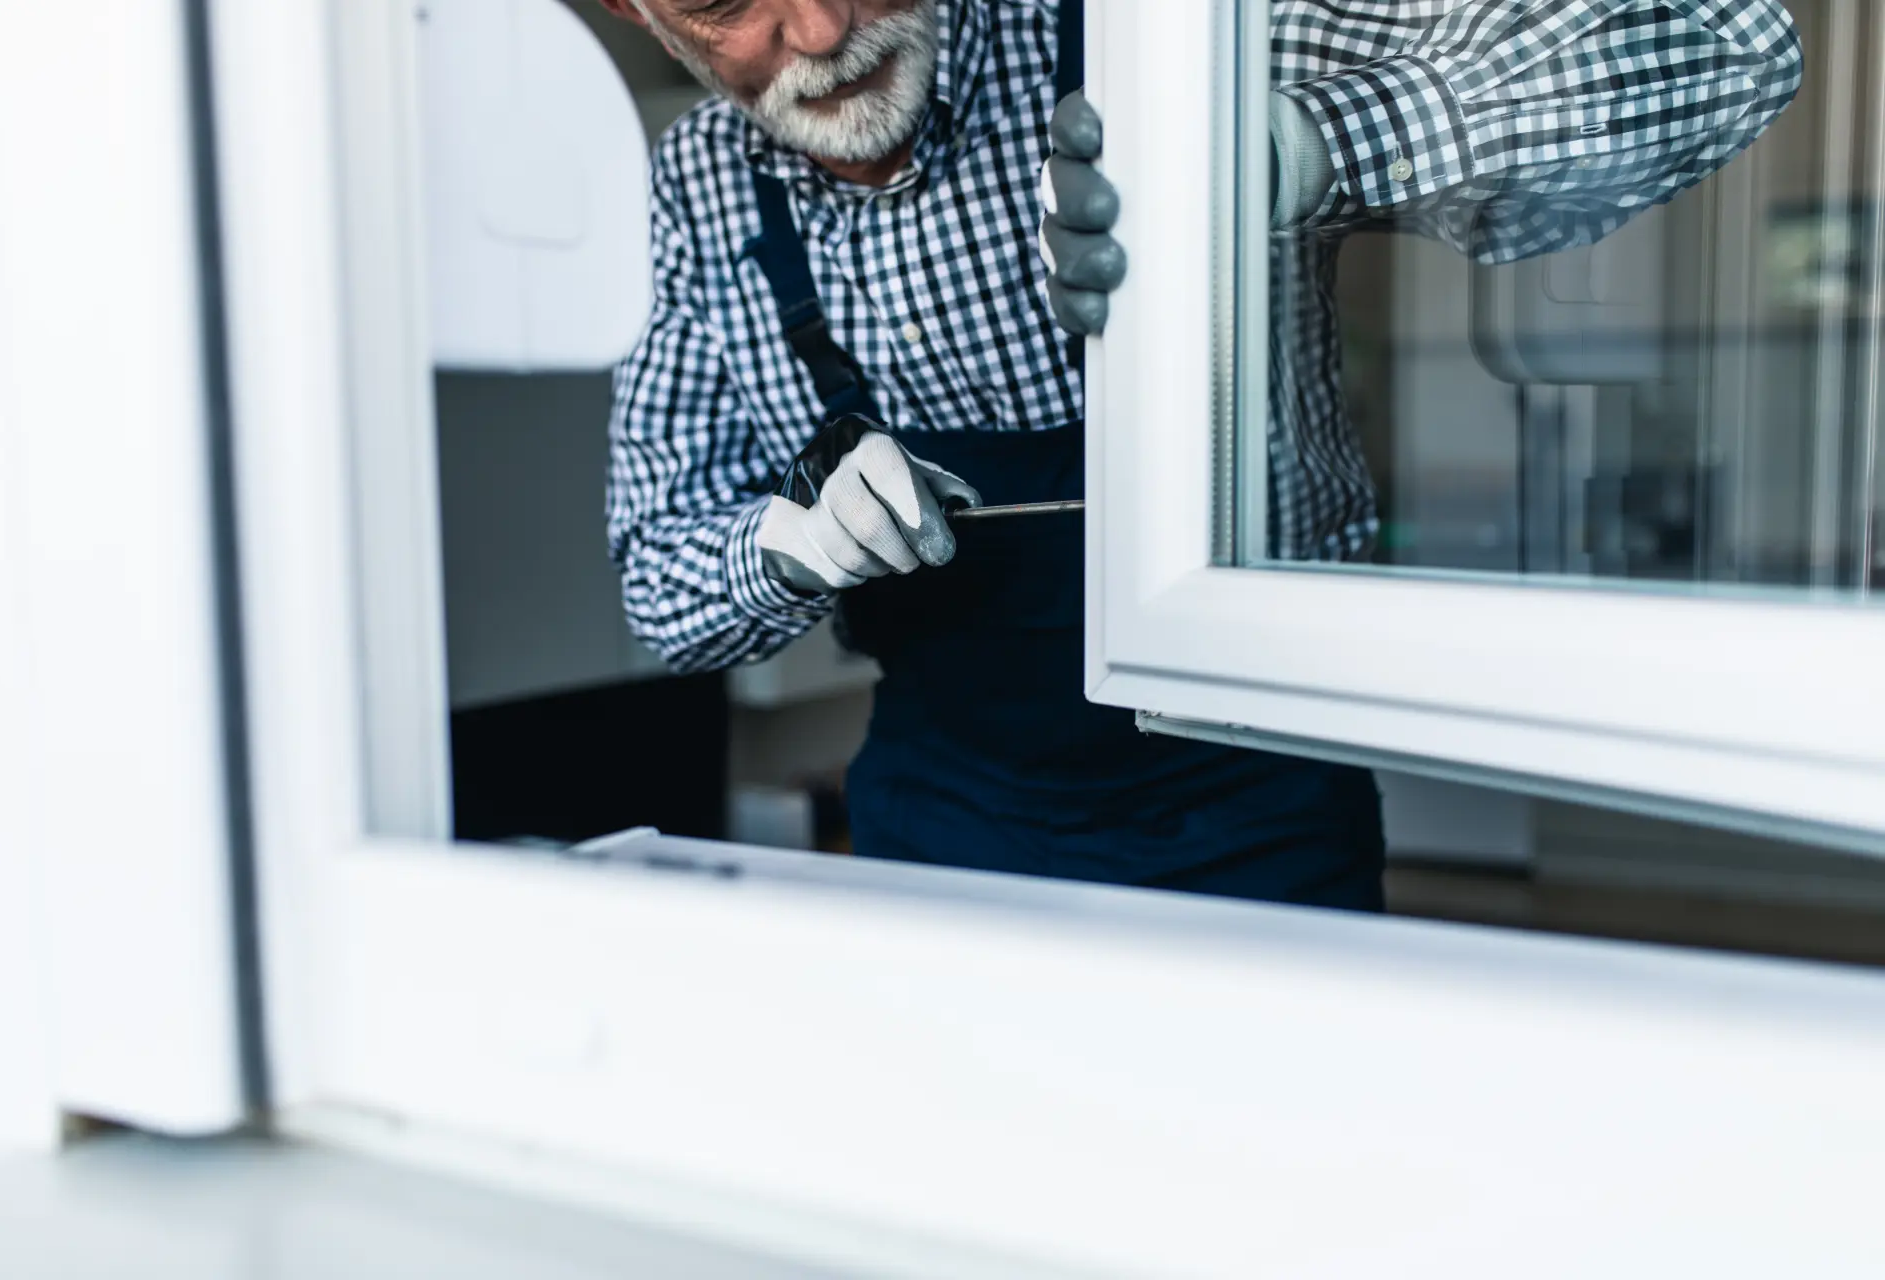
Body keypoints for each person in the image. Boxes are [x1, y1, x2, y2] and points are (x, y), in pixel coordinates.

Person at [600, 0, 1800, 908]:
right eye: (727, 0)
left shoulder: (1168, 31)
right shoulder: (699, 189)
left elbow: (1733, 45)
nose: (817, 27)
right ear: (634, 12)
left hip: (1259, 809)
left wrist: (1312, 141)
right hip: (943, 822)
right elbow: (660, 580)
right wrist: (789, 548)